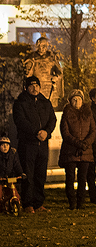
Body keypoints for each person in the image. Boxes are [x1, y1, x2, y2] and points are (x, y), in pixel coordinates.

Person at [12, 76, 56, 213]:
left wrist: (46, 132)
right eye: (31, 86)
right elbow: (21, 121)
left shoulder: (45, 102)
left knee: (40, 174)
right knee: (28, 175)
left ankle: (38, 203)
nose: (34, 88)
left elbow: (52, 120)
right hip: (28, 144)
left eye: (37, 85)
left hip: (42, 144)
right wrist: (36, 132)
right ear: (26, 87)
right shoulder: (20, 103)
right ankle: (27, 204)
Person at [59, 90, 96, 210]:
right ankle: (72, 202)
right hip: (71, 150)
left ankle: (81, 202)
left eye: (79, 99)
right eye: (74, 99)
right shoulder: (66, 114)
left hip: (85, 150)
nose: (77, 102)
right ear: (70, 101)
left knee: (82, 178)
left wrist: (85, 143)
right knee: (70, 177)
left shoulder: (88, 113)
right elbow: (65, 133)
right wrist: (77, 143)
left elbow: (93, 130)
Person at [21, 35, 64, 109]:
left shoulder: (52, 58)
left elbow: (60, 73)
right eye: (39, 46)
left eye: (43, 46)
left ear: (47, 46)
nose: (41, 48)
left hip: (50, 88)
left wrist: (56, 78)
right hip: (36, 88)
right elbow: (28, 76)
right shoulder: (32, 58)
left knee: (50, 109)